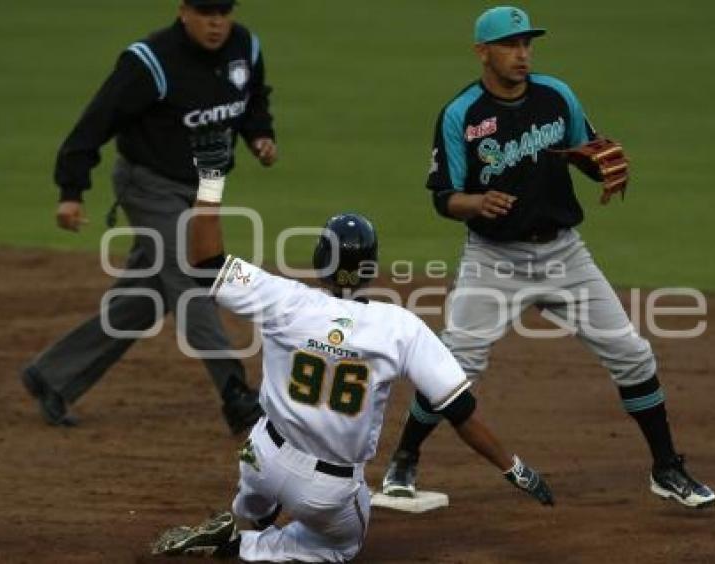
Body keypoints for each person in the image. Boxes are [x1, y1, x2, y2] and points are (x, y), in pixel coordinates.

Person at [148, 132, 554, 561]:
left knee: (260, 475)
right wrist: (515, 469)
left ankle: (248, 517)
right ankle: (245, 547)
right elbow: (459, 411)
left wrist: (211, 178)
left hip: (261, 456)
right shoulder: (399, 327)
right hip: (325, 491)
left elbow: (205, 262)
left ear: (321, 259)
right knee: (340, 547)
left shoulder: (282, 299)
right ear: (370, 267)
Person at [380, 5, 715, 509]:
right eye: (511, 45)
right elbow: (442, 196)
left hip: (565, 255)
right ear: (483, 52)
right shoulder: (461, 114)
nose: (523, 54)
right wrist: (476, 202)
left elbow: (587, 152)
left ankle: (667, 468)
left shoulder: (556, 96)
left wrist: (602, 169)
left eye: (527, 44)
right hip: (493, 260)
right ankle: (404, 458)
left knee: (631, 353)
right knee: (456, 366)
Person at [21, 0, 274, 433]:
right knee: (195, 277)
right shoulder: (151, 60)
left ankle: (52, 375)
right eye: (205, 12)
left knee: (150, 294)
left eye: (223, 12)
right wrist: (71, 190)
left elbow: (251, 99)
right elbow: (96, 120)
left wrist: (259, 133)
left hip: (202, 191)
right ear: (183, 11)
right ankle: (236, 395)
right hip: (149, 186)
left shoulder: (244, 47)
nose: (215, 23)